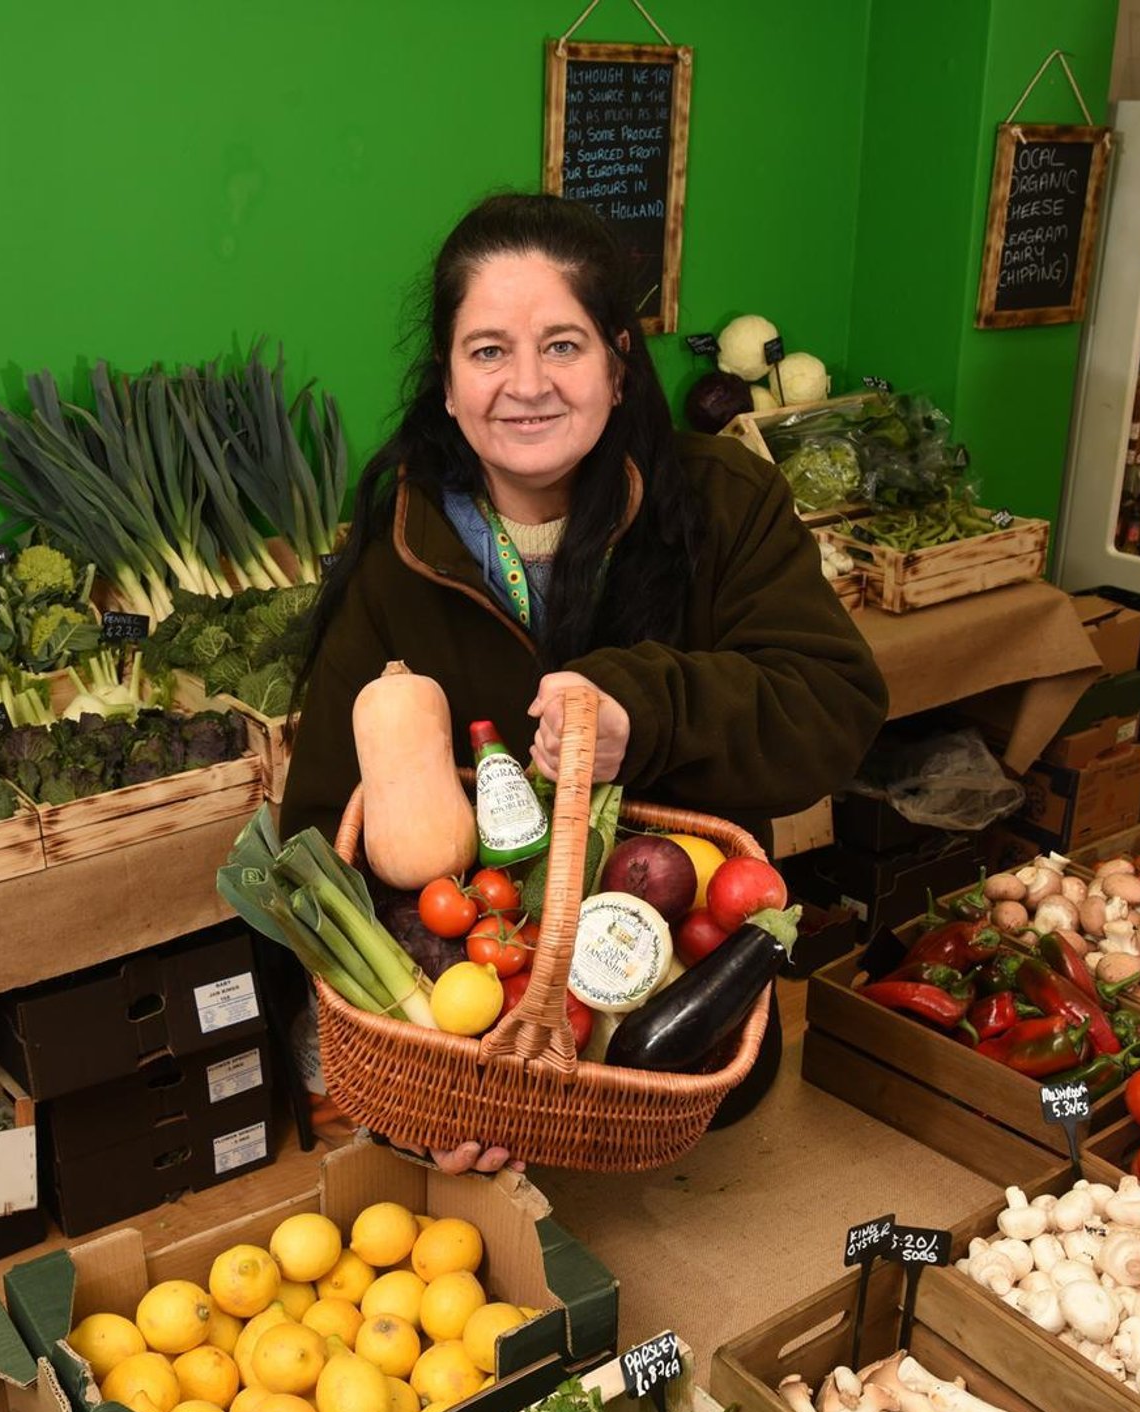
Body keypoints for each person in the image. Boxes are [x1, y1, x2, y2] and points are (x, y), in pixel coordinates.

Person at [280, 192, 888, 1173]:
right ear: (443, 382)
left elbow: (831, 709)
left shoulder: (722, 504)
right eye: (487, 351)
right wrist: (415, 1072)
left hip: (672, 1045)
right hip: (470, 1029)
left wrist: (641, 714)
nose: (525, 385)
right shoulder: (401, 545)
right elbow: (319, 818)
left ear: (616, 362)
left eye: (561, 345)